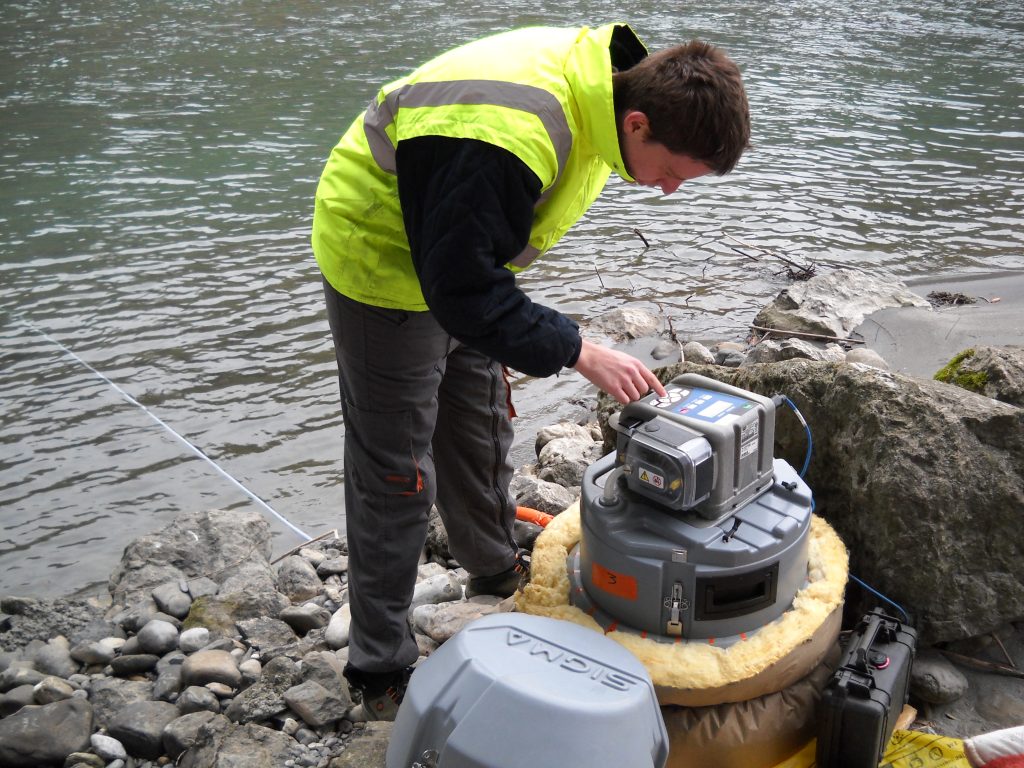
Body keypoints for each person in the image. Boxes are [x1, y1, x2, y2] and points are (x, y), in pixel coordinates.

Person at [312, 22, 750, 720]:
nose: (667, 191)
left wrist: (529, 325)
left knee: (480, 422)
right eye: (670, 173)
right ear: (637, 121)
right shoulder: (509, 134)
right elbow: (457, 289)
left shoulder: (608, 99)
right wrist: (579, 348)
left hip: (463, 256)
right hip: (382, 262)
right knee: (396, 475)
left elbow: (471, 276)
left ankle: (491, 563)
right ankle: (379, 664)